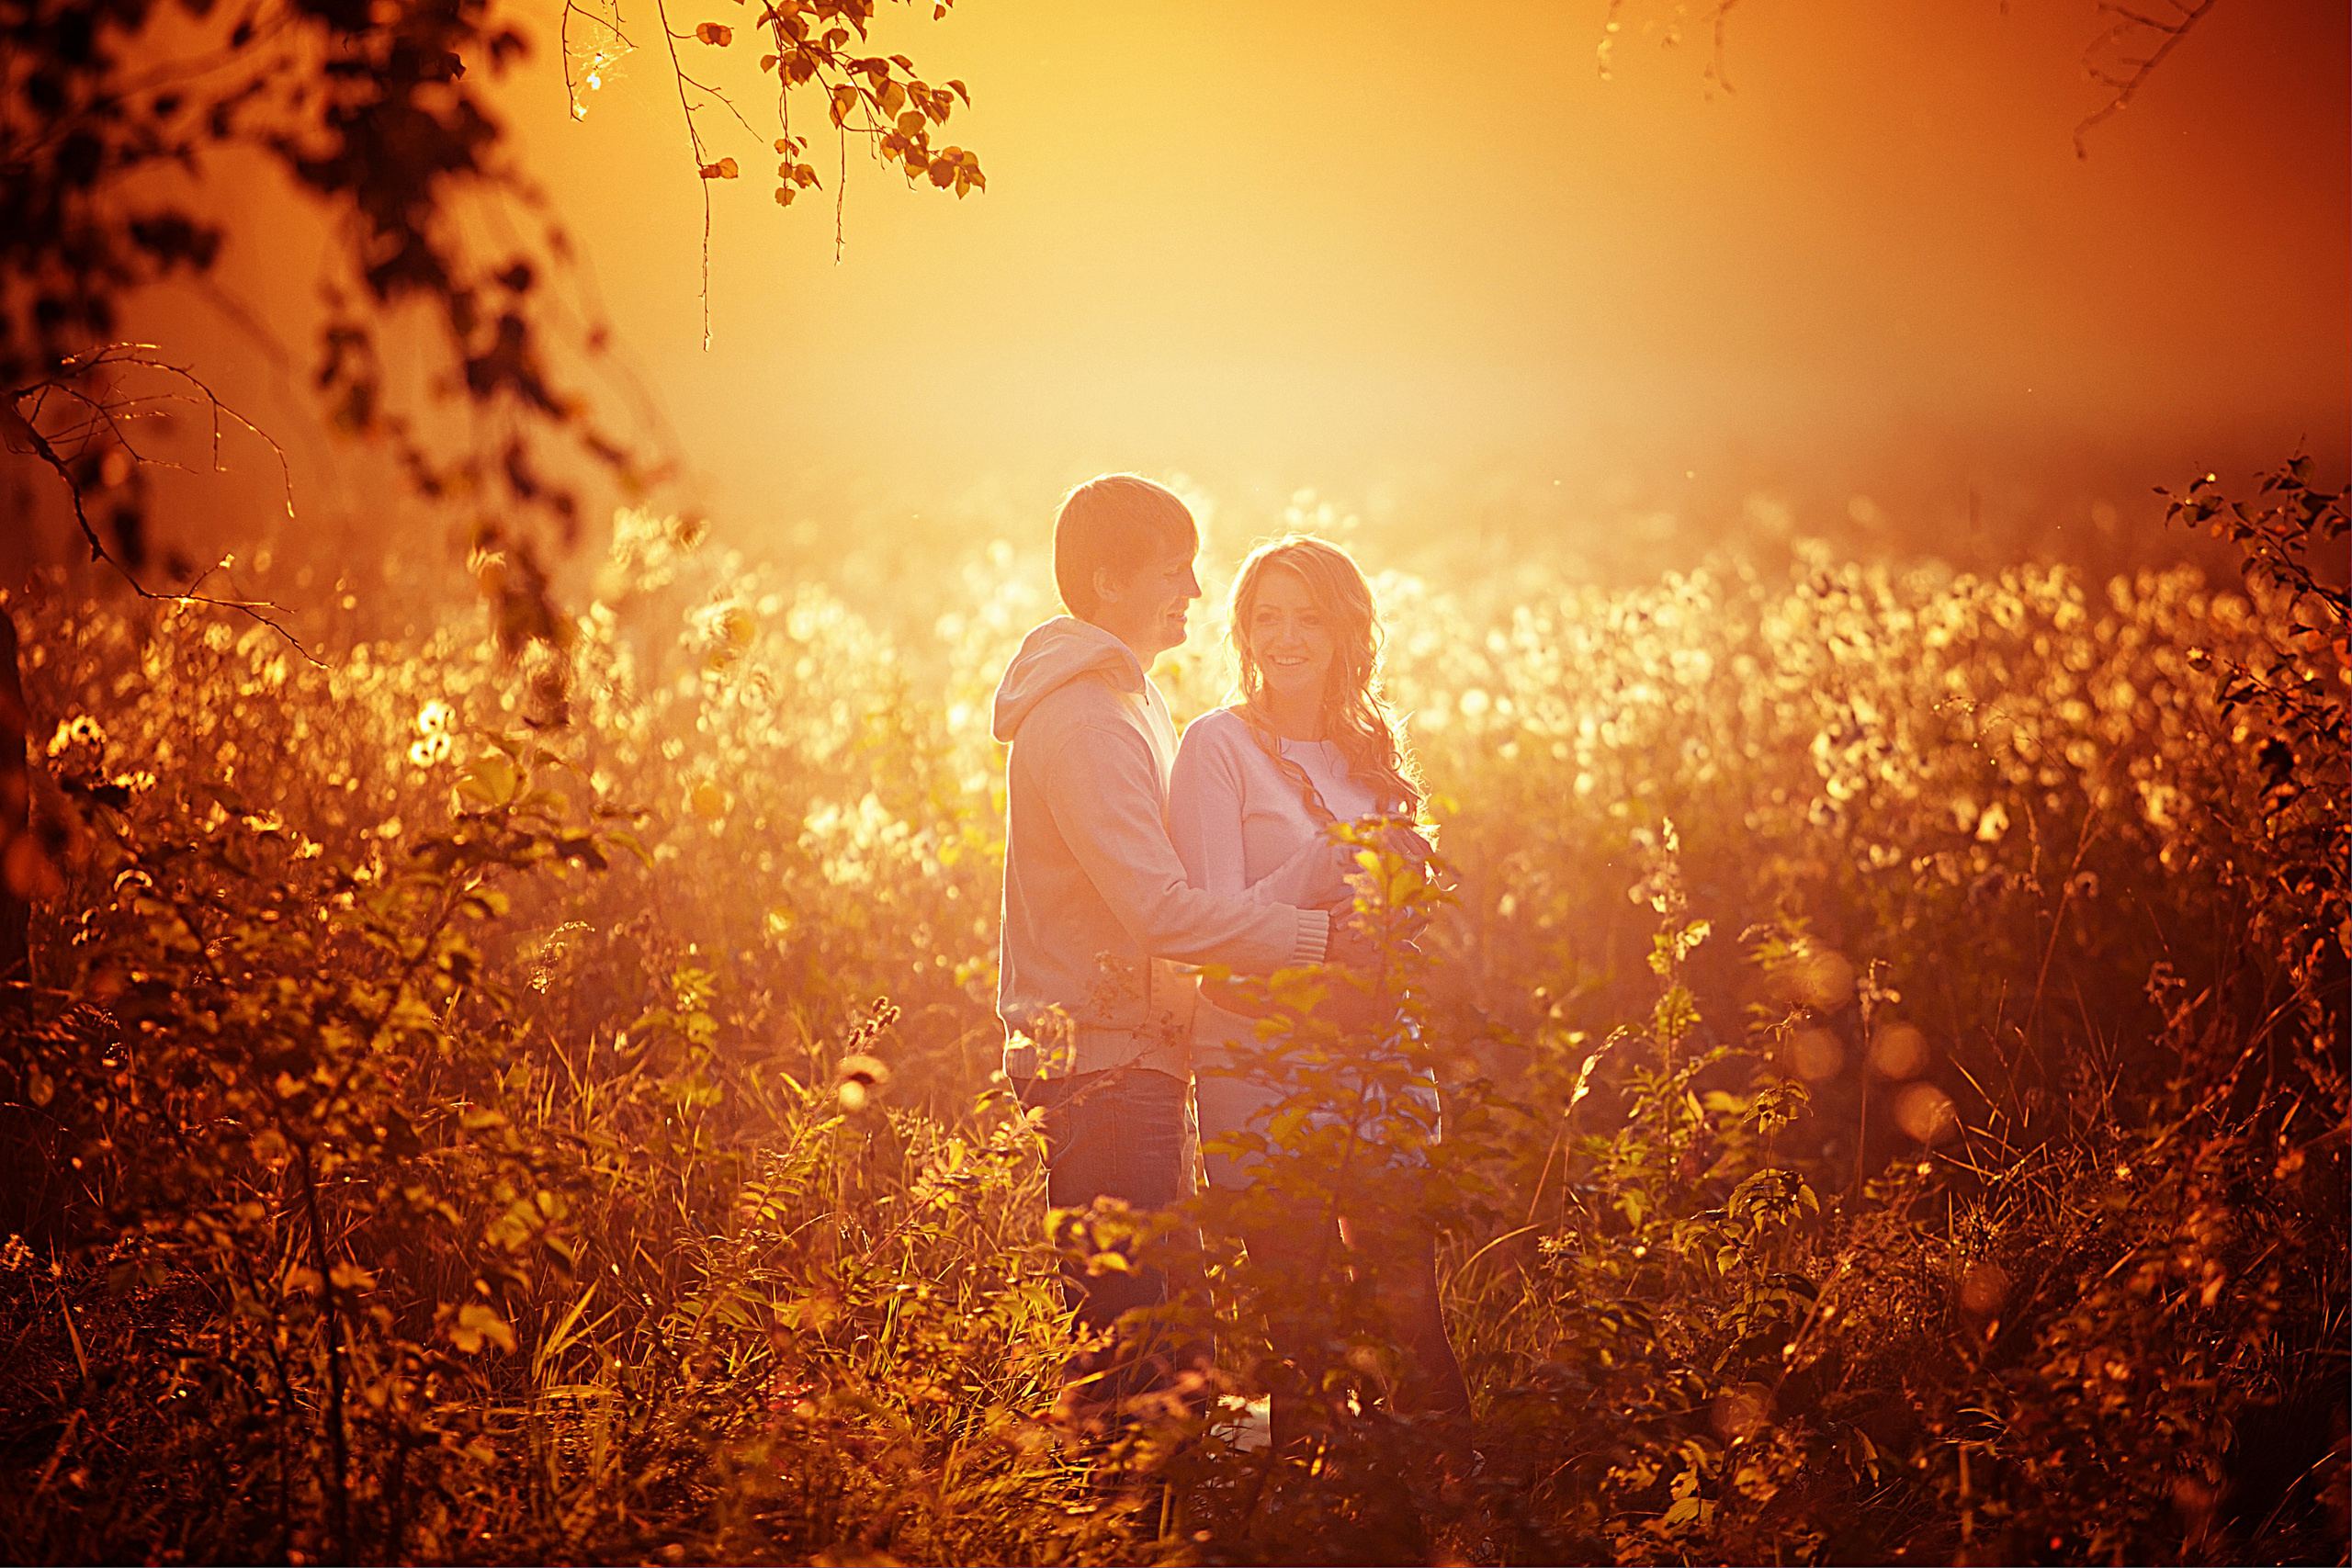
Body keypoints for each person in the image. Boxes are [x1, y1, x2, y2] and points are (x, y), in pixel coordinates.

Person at [991, 475, 1368, 1415]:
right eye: (1175, 569)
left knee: (1175, 1347)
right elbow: (1160, 909)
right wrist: (1317, 938)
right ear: (1111, 580)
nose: (1196, 590)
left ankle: (1211, 1512)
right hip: (1103, 1072)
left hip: (1137, 1061)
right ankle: (1128, 1528)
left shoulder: (1127, 699)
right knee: (1133, 1360)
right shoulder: (1084, 719)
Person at [1166, 533, 1471, 1459]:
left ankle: (1459, 1506)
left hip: (1375, 1049)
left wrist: (1405, 897)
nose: (1286, 637)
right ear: (1243, 632)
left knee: (1407, 1297)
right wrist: (1317, 864)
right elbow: (1213, 932)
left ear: (1346, 633)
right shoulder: (1215, 746)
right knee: (1292, 1313)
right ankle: (1302, 1515)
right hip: (1257, 1061)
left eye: (1308, 618)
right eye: (1267, 618)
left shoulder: (1366, 751)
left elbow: (1386, 932)